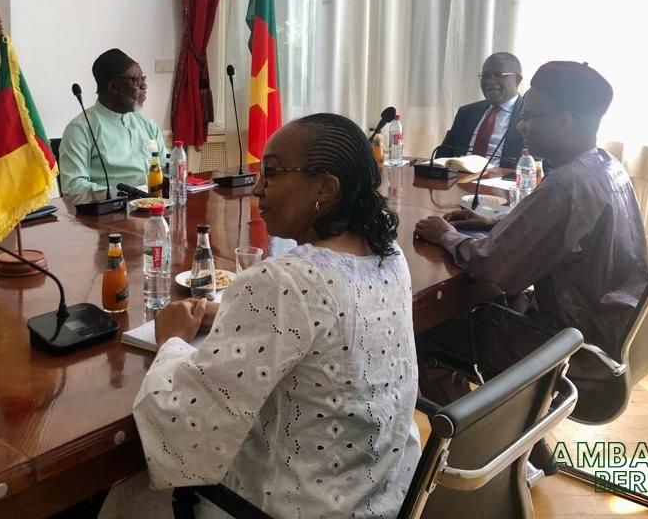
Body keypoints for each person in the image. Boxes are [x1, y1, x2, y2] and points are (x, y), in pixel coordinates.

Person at [102, 114, 421, 518]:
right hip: (379, 491)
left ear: (325, 187)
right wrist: (233, 313)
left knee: (121, 493)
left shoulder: (286, 281)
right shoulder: (389, 257)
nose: (256, 188)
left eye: (271, 174)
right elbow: (329, 332)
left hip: (284, 507)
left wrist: (171, 339)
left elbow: (185, 423)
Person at [414, 61, 648, 421]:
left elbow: (492, 267)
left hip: (570, 347)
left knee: (426, 333)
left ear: (564, 121)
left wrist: (445, 234)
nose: (521, 126)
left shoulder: (566, 185)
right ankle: (516, 438)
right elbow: (564, 233)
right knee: (474, 309)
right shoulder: (606, 165)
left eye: (530, 116)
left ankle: (479, 439)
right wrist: (495, 222)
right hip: (609, 330)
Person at [58, 49, 165, 194]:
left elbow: (165, 165)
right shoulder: (80, 128)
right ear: (113, 86)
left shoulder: (146, 123)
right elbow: (73, 186)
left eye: (143, 78)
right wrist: (118, 194)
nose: (144, 86)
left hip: (156, 202)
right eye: (136, 80)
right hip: (115, 206)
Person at [435, 51, 525, 167]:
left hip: (502, 177)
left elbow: (537, 167)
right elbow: (442, 155)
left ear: (517, 80)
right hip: (459, 176)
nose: (490, 81)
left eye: (498, 75)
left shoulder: (530, 117)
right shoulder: (466, 113)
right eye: (485, 76)